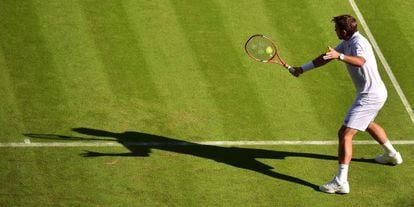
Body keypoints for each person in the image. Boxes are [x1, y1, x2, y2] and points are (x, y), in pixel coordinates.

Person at [289, 14, 403, 194]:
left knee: (345, 134)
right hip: (376, 93)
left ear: (343, 31)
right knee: (368, 123)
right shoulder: (347, 41)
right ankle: (392, 155)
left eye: (336, 29)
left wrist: (340, 56)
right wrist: (302, 69)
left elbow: (360, 62)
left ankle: (341, 182)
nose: (334, 32)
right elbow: (326, 57)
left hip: (370, 96)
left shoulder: (359, 43)